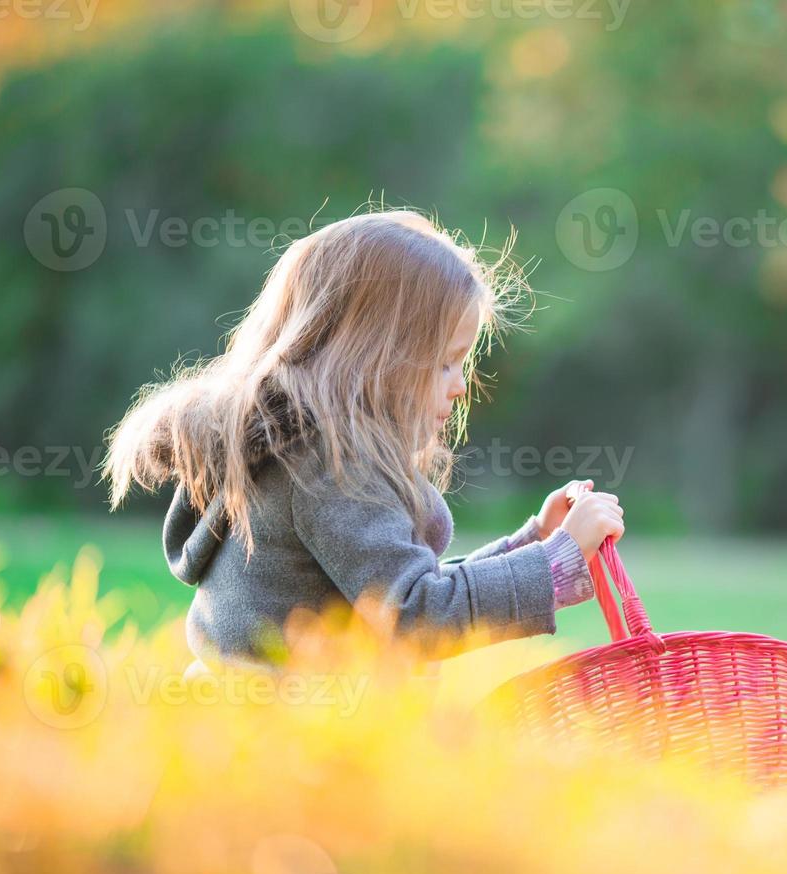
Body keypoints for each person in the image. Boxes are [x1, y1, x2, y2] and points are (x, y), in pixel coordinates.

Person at [104, 209, 624, 664]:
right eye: (444, 363)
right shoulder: (330, 466)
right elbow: (415, 618)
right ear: (374, 356)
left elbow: (400, 591)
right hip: (295, 741)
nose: (461, 388)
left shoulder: (303, 448)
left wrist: (535, 545)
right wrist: (553, 565)